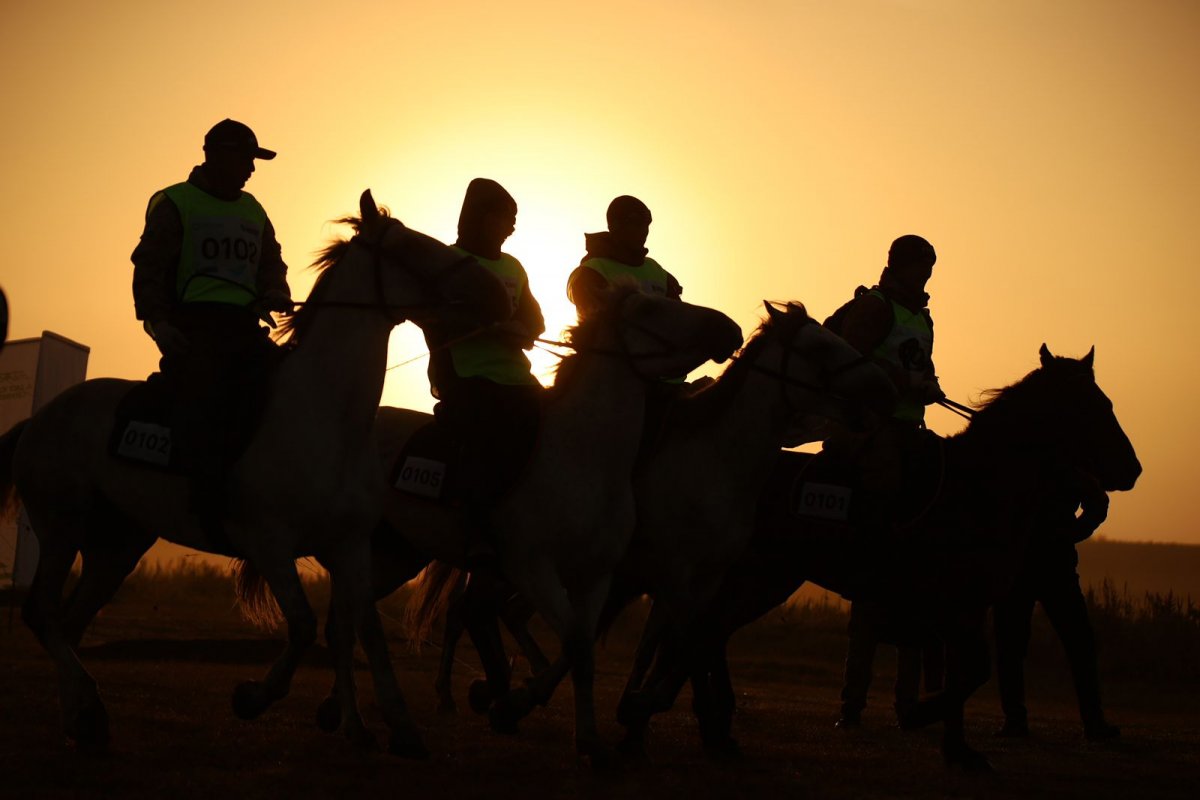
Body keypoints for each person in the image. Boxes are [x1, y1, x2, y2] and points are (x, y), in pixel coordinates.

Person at [130, 118, 292, 518]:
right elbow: (149, 270)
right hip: (194, 328)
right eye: (247, 159)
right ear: (218, 156)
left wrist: (277, 292)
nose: (252, 170)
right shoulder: (175, 202)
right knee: (203, 402)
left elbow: (271, 262)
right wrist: (159, 325)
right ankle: (202, 500)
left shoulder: (255, 209)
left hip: (244, 327)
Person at [423, 178, 545, 565]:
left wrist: (521, 331)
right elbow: (431, 318)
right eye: (504, 218)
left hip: (517, 377)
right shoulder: (447, 262)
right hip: (467, 376)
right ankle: (477, 530)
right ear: (480, 218)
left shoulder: (514, 266)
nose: (511, 227)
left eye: (514, 220)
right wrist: (483, 326)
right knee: (488, 440)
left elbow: (536, 320)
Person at [822, 234, 943, 533]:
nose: (926, 276)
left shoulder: (923, 319)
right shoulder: (874, 306)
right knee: (884, 488)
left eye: (929, 269)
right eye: (920, 268)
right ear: (900, 266)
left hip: (907, 427)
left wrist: (931, 383)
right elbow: (849, 361)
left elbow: (920, 363)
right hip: (866, 427)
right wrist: (910, 382)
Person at [992, 471, 1120, 740]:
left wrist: (1070, 533)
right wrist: (1071, 532)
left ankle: (1017, 720)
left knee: (1016, 644)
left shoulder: (1051, 460)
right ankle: (1091, 723)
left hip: (1035, 567)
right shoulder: (1063, 460)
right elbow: (1097, 503)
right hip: (1042, 566)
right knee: (1071, 644)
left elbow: (1096, 502)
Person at [565, 195, 683, 318]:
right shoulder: (591, 272)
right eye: (636, 224)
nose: (644, 231)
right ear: (615, 226)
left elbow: (678, 320)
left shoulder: (659, 272)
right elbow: (595, 320)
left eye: (646, 224)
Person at [836, 599, 945, 728]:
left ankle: (852, 711)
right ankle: (907, 712)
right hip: (902, 598)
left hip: (877, 596)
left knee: (863, 645)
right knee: (908, 647)